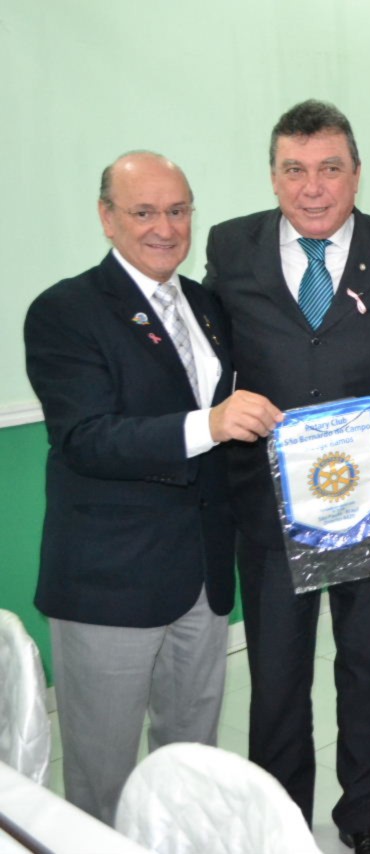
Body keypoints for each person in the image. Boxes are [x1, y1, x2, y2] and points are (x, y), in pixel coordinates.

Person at [24, 152, 282, 823]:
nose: (164, 227)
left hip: (203, 577)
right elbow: (86, 438)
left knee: (188, 763)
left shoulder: (207, 304)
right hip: (111, 582)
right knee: (103, 774)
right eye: (143, 212)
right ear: (107, 217)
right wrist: (210, 424)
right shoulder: (65, 310)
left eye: (177, 210)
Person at [204, 100, 370, 854]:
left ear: (356, 174)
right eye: (294, 169)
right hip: (268, 508)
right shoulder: (229, 246)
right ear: (272, 176)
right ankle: (282, 823)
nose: (312, 187)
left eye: (330, 168)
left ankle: (363, 815)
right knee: (276, 680)